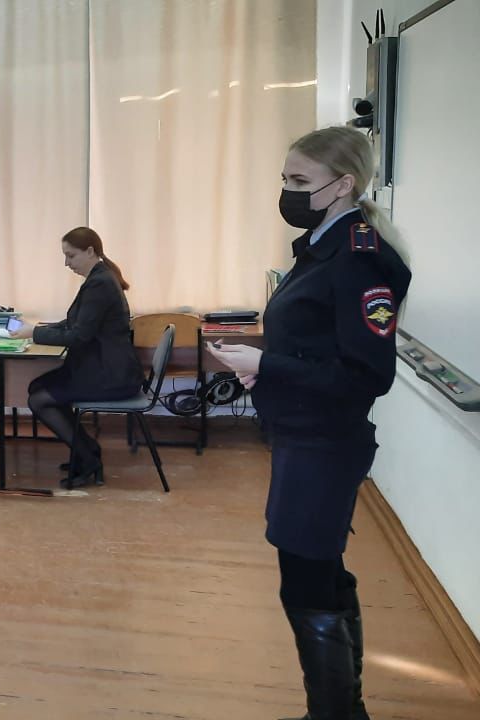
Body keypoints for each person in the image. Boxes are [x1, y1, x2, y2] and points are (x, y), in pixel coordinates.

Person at [209, 127, 410, 720]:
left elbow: (366, 375)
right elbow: (316, 347)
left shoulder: (360, 258)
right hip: (304, 435)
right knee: (318, 571)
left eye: (300, 181)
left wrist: (268, 364)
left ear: (343, 184)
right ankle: (343, 710)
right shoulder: (324, 245)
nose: (288, 191)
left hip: (326, 443)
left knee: (305, 578)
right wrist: (266, 374)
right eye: (285, 179)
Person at [11, 227, 143, 488]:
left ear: (90, 251)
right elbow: (75, 323)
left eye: (70, 256)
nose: (66, 263)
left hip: (111, 376)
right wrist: (38, 329)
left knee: (39, 400)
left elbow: (79, 336)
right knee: (37, 387)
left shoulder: (100, 283)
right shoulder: (99, 277)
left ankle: (89, 458)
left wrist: (34, 333)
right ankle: (86, 449)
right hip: (103, 367)